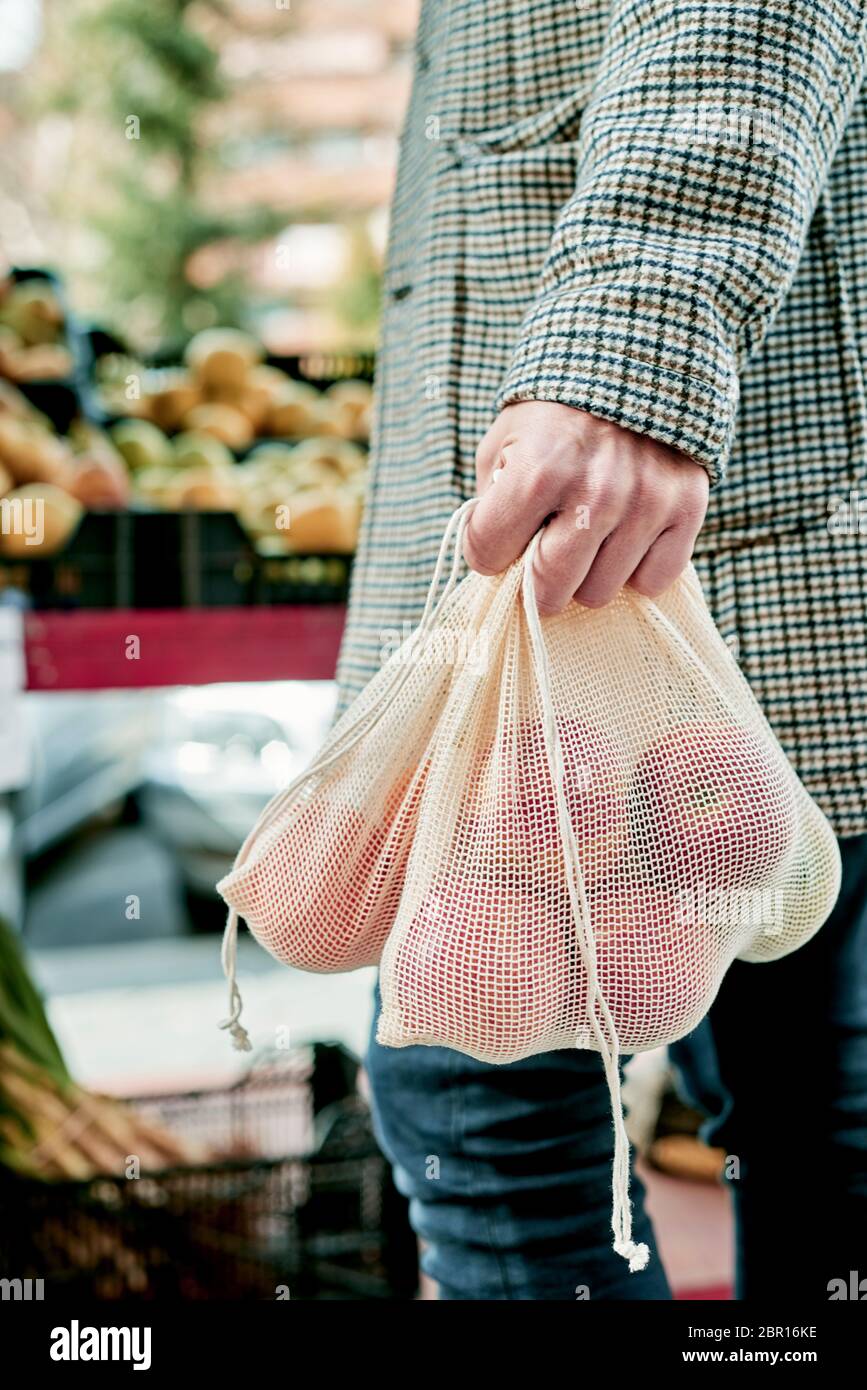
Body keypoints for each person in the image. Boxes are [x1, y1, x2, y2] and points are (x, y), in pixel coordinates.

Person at [336, 0, 867, 1299]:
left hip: (684, 536)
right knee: (798, 1112)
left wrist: (630, 355)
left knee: (498, 1118)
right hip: (549, 563)